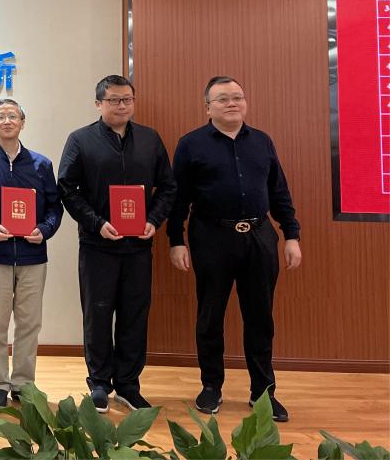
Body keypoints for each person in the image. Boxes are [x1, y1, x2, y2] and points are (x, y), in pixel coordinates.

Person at [167, 76, 301, 422]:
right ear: (207, 107)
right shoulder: (191, 144)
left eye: (238, 97)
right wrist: (176, 240)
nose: (232, 103)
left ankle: (263, 392)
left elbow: (279, 192)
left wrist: (291, 235)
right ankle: (211, 386)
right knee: (210, 316)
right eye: (223, 98)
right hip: (212, 238)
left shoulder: (262, 141)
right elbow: (178, 199)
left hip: (259, 237)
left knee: (260, 317)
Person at [57, 74, 176, 412]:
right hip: (98, 246)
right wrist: (97, 223)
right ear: (99, 104)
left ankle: (128, 384)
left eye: (127, 99)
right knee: (97, 314)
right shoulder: (80, 140)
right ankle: (98, 382)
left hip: (138, 247)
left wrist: (154, 220)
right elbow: (67, 188)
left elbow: (168, 187)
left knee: (134, 315)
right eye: (113, 100)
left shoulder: (150, 139)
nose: (121, 105)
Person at [0, 99, 64, 408]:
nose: (7, 121)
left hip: (33, 256)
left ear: (22, 122)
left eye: (12, 116)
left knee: (29, 322)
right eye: (0, 117)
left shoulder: (41, 165)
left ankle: (23, 383)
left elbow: (54, 207)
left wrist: (44, 229)